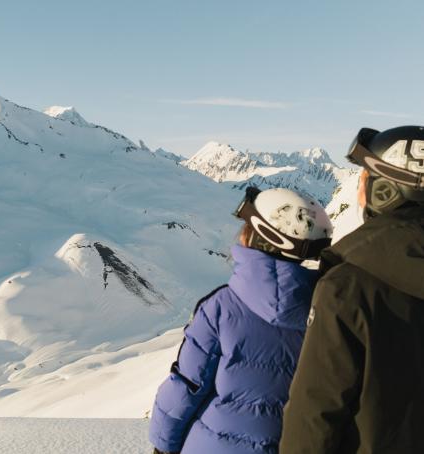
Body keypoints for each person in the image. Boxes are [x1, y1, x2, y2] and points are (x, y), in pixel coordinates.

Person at [149, 187, 333, 454]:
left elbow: (186, 387)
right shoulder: (329, 308)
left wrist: (162, 446)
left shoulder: (219, 308)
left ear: (259, 236)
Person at [280, 126, 424, 453]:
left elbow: (315, 411)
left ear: (386, 189)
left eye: (363, 177)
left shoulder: (348, 287)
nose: (358, 187)